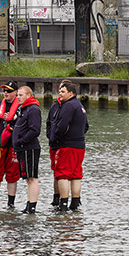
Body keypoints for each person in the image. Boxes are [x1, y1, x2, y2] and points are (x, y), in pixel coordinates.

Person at [48, 80, 88, 211]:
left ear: (71, 93)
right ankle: (75, 203)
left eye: (63, 91)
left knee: (62, 174)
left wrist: (56, 138)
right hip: (79, 145)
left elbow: (62, 126)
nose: (60, 93)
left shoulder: (68, 106)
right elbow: (86, 126)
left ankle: (63, 204)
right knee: (76, 175)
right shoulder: (79, 105)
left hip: (66, 145)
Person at [12, 86, 42, 214]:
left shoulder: (33, 109)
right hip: (21, 148)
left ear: (29, 95)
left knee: (32, 177)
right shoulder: (22, 108)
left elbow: (35, 130)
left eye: (21, 95)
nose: (18, 97)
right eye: (17, 95)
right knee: (27, 178)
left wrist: (21, 140)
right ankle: (28, 204)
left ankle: (32, 206)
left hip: (30, 148)